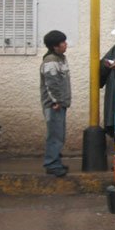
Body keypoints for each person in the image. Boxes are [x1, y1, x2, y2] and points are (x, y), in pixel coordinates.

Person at [40, 30, 71, 177]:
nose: (66, 44)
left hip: (60, 103)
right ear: (55, 46)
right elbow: (51, 83)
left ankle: (55, 161)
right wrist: (56, 101)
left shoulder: (60, 59)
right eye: (63, 42)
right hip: (54, 105)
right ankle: (52, 164)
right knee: (55, 134)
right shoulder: (51, 60)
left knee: (59, 134)